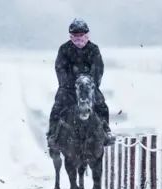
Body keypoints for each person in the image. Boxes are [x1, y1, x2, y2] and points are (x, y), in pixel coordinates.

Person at [46, 18, 116, 157]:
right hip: (69, 88)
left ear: (86, 35)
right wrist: (69, 83)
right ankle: (53, 133)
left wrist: (89, 82)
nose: (79, 38)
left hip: (88, 87)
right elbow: (60, 68)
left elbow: (98, 68)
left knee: (101, 105)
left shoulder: (93, 49)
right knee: (57, 106)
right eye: (75, 35)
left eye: (81, 35)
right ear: (71, 36)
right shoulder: (64, 49)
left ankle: (106, 130)